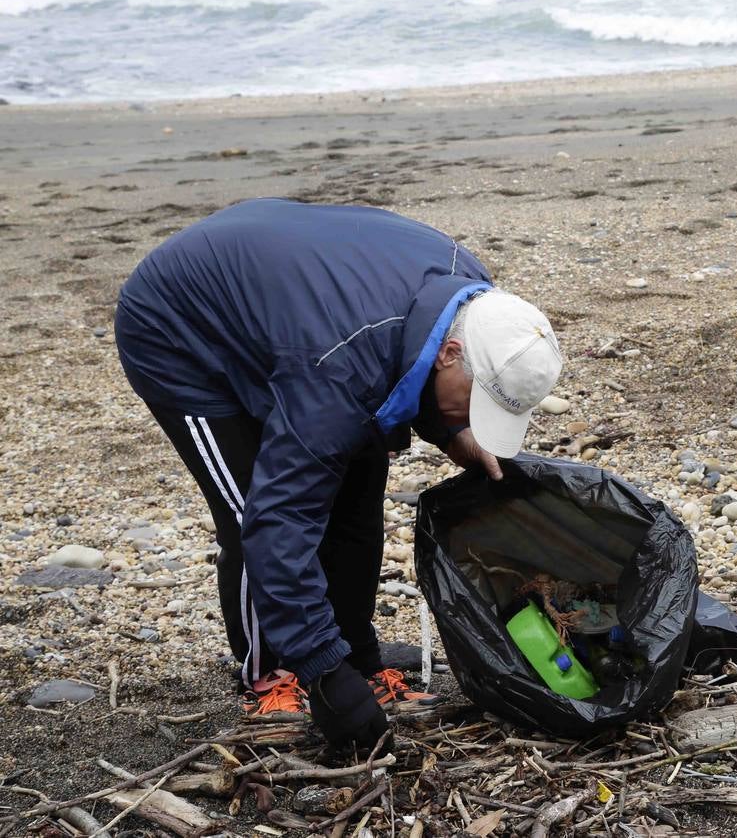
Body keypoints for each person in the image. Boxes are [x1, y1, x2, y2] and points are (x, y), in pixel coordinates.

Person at [114, 198, 564, 750]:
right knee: (250, 507)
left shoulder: (472, 294)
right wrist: (323, 674)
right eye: (477, 406)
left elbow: (404, 365)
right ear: (452, 352)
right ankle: (271, 674)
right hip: (179, 325)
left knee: (355, 500)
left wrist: (452, 433)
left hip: (302, 316)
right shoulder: (339, 369)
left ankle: (357, 654)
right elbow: (276, 524)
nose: (476, 421)